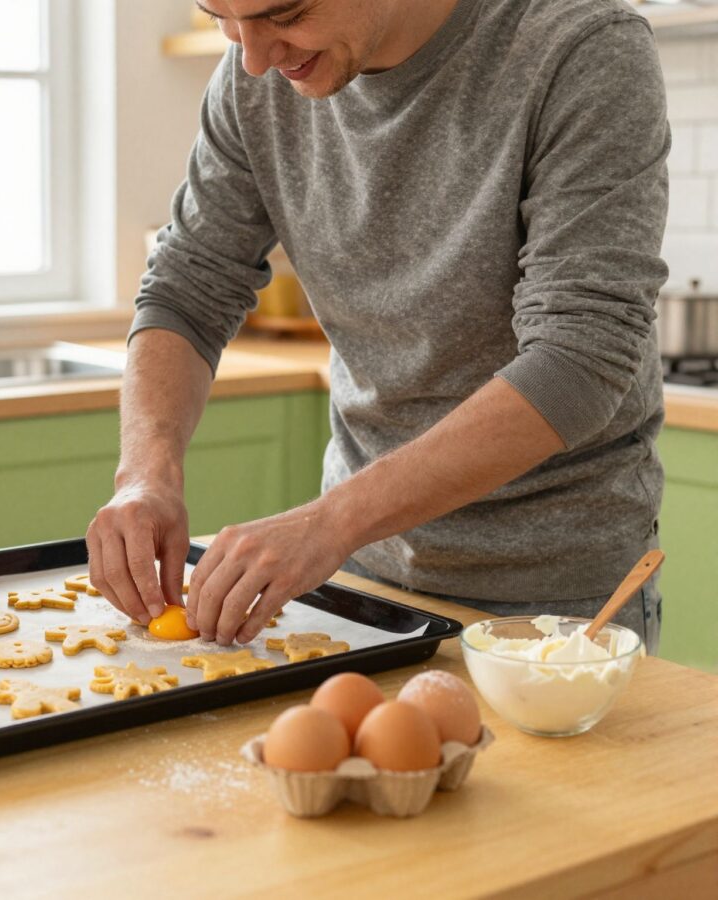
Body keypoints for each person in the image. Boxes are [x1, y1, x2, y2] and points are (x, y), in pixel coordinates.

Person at [87, 0, 668, 652]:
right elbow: (187, 287)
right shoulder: (253, 82)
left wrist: (331, 522)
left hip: (556, 598)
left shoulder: (580, 44)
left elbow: (580, 359)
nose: (252, 58)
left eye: (284, 13)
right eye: (221, 16)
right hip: (362, 577)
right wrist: (146, 474)